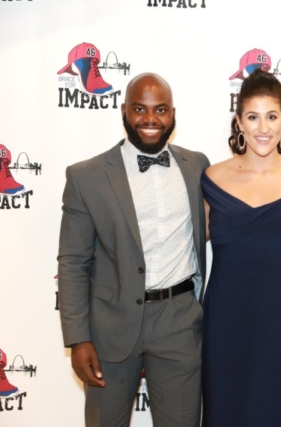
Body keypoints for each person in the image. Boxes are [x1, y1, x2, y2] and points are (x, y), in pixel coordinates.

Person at [57, 73, 209, 427]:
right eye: (140, 109)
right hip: (110, 324)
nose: (150, 119)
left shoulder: (198, 167)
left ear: (173, 114)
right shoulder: (87, 176)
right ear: (124, 110)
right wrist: (78, 338)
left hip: (178, 322)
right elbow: (73, 262)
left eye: (161, 110)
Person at [201, 69, 281, 427]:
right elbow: (183, 241)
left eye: (271, 117)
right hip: (226, 318)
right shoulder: (212, 178)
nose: (263, 128)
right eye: (253, 117)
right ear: (239, 121)